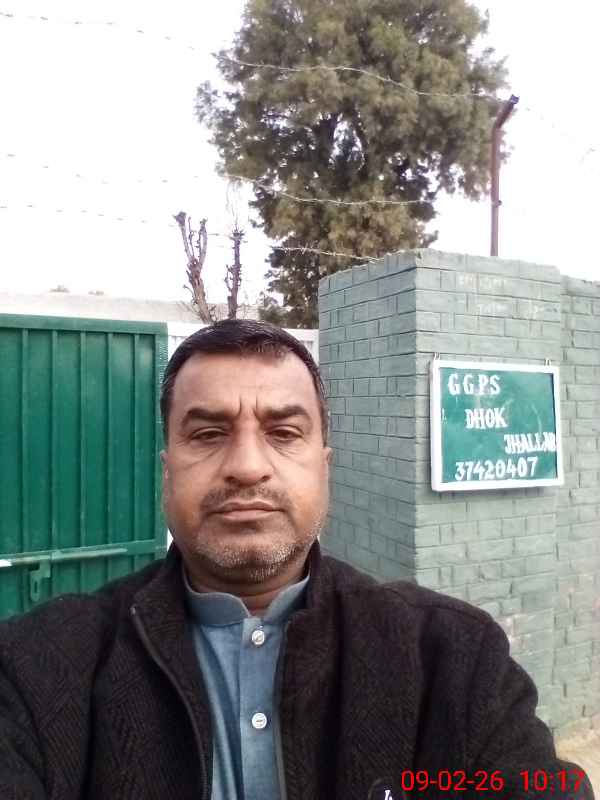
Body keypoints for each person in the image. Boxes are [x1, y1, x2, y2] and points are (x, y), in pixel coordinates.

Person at [0, 319, 594, 800]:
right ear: (166, 470)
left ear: (324, 468)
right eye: (207, 434)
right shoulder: (36, 667)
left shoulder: (454, 658)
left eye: (284, 433)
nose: (247, 466)